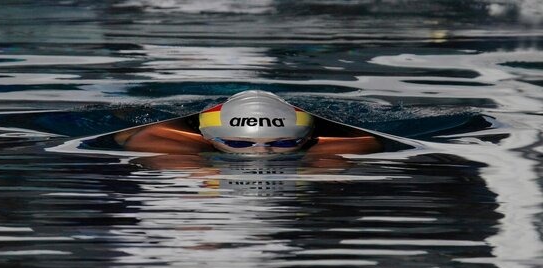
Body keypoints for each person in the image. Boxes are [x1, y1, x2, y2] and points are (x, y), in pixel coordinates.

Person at [113, 90, 384, 157]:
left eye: (283, 142)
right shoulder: (162, 136)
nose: (261, 153)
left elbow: (366, 142)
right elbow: (142, 140)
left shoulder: (340, 138)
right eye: (237, 143)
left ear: (307, 139)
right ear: (207, 138)